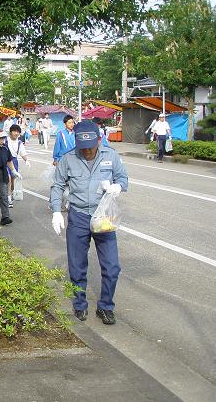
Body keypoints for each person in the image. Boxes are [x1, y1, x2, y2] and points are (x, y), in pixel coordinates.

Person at [50, 120, 128, 325]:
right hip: (79, 216)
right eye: (82, 147)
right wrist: (56, 211)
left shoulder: (110, 155)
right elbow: (57, 185)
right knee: (77, 265)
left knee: (112, 267)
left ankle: (106, 306)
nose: (86, 151)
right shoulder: (68, 158)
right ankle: (79, 303)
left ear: (99, 140)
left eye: (90, 147)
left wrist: (118, 187)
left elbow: (123, 178)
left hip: (103, 217)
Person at [5, 124, 30, 208]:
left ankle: (10, 194)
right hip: (5, 162)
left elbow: (23, 153)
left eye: (18, 132)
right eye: (14, 131)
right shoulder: (5, 140)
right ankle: (8, 198)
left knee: (13, 180)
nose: (16, 133)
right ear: (10, 132)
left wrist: (26, 160)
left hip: (14, 162)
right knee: (8, 179)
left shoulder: (19, 143)